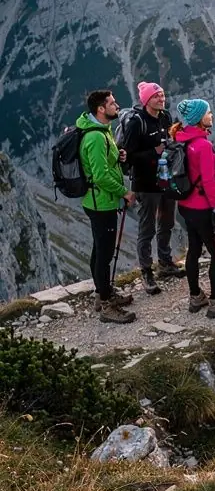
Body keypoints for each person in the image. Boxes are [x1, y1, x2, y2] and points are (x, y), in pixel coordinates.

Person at [170, 98, 215, 319]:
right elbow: (209, 181)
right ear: (199, 118)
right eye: (208, 112)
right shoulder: (203, 145)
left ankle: (195, 296)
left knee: (194, 249)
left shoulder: (181, 140)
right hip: (202, 207)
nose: (212, 115)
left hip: (185, 205)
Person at [119, 80, 185, 294]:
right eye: (156, 96)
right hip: (145, 183)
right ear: (146, 100)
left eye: (163, 94)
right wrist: (154, 152)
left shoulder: (165, 117)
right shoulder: (137, 122)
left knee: (167, 222)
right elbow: (127, 156)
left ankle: (165, 262)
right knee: (146, 228)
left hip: (166, 178)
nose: (161, 98)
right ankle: (146, 271)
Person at [77, 89, 137, 324]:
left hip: (99, 200)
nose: (116, 105)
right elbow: (100, 175)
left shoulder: (102, 130)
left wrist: (117, 155)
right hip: (101, 202)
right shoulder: (95, 137)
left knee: (100, 249)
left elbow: (102, 164)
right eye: (112, 103)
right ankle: (106, 304)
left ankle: (104, 294)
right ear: (101, 109)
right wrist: (125, 192)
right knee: (104, 254)